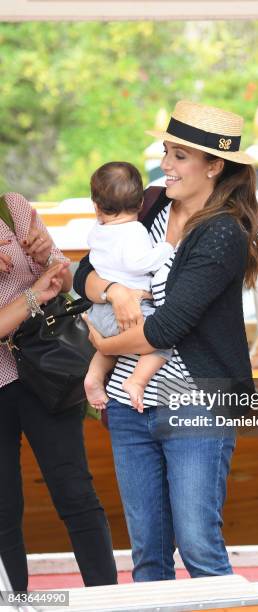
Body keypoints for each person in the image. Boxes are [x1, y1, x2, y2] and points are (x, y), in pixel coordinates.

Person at [74, 100, 258, 581]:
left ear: (214, 165)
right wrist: (114, 290)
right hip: (129, 404)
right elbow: (83, 274)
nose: (165, 165)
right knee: (148, 555)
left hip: (197, 401)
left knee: (199, 546)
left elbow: (166, 328)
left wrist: (104, 346)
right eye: (166, 152)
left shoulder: (224, 232)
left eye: (180, 156)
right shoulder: (152, 202)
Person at [0, 193, 117, 591]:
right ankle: (14, 601)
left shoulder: (12, 206)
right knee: (3, 511)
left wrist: (50, 256)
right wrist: (33, 294)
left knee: (75, 494)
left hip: (47, 372)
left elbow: (64, 280)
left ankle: (105, 600)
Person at [84, 161, 174, 412]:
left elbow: (89, 265)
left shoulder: (97, 230)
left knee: (111, 348)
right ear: (140, 204)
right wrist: (166, 248)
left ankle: (94, 375)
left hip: (100, 311)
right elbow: (139, 263)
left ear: (97, 206)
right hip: (130, 310)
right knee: (161, 340)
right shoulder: (134, 230)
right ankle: (137, 381)